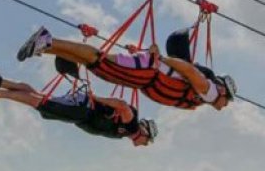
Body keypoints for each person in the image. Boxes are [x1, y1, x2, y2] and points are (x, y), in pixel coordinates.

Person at [16, 26, 237, 111]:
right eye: (228, 101)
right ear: (223, 90)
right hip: (148, 70)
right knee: (98, 60)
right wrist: (162, 59)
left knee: (96, 64)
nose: (225, 105)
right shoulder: (210, 91)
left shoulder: (203, 98)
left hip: (144, 75)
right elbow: (189, 71)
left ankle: (46, 47)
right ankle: (48, 42)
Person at [0, 68, 157, 146]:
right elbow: (123, 106)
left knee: (39, 97)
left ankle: (0, 81)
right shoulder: (131, 127)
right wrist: (96, 98)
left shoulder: (124, 132)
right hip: (82, 110)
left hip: (80, 110)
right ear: (144, 131)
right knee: (39, 103)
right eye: (147, 141)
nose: (143, 145)